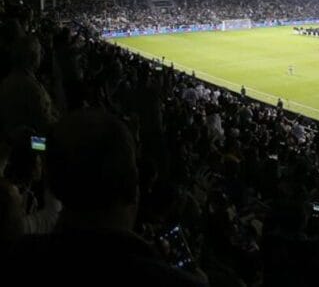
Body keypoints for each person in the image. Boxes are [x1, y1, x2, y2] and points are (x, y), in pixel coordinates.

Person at [2, 112, 206, 285]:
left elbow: (33, 145)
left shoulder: (20, 257)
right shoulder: (172, 279)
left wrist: (29, 143)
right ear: (135, 190)